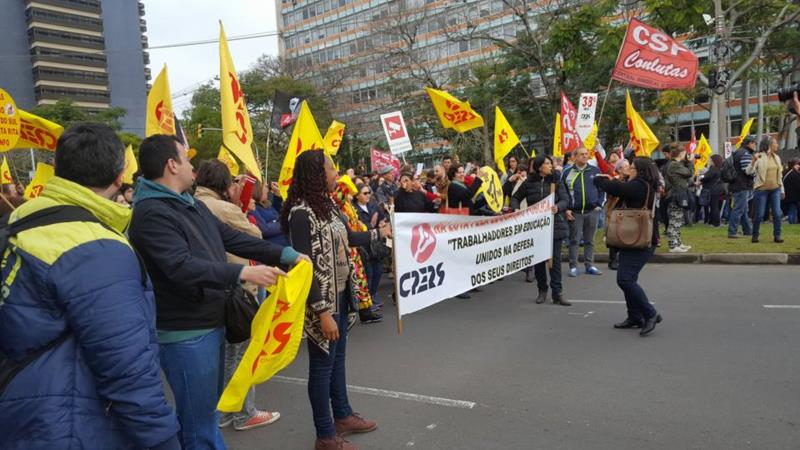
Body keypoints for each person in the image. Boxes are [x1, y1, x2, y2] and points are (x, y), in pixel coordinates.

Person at [0, 124, 180, 449]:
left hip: (22, 407)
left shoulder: (20, 222)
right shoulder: (97, 249)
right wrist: (164, 440)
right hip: (70, 423)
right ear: (119, 175)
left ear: (58, 168)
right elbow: (128, 369)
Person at [129, 134, 304, 450]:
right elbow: (180, 267)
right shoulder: (151, 212)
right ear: (171, 164)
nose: (191, 165)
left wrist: (285, 255)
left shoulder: (189, 203)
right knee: (199, 427)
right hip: (186, 334)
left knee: (205, 419)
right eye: (186, 158)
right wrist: (242, 271)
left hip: (210, 320)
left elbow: (231, 238)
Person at [281, 150, 390, 450]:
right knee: (321, 368)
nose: (336, 173)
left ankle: (342, 415)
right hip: (323, 305)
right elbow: (302, 265)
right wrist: (322, 312)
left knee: (337, 361)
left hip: (342, 297)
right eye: (331, 168)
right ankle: (326, 435)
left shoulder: (327, 206)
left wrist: (378, 234)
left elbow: (348, 238)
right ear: (317, 173)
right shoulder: (301, 213)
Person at [193, 160, 282, 431]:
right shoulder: (222, 208)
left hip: (210, 287)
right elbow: (254, 234)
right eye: (232, 182)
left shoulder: (192, 203)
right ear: (223, 184)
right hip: (236, 286)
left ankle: (224, 412)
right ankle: (245, 413)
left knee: (225, 356)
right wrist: (238, 204)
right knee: (241, 354)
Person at [594, 157, 663, 336]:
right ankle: (634, 316)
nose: (627, 171)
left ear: (640, 171)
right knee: (628, 278)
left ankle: (650, 313)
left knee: (625, 279)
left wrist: (598, 178)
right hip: (633, 238)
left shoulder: (640, 185)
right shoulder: (645, 184)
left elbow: (614, 188)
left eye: (631, 168)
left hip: (641, 241)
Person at [511, 155, 571, 305]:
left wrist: (558, 207)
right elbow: (515, 197)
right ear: (539, 167)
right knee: (538, 261)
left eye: (551, 163)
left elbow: (565, 199)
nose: (551, 166)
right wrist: (517, 209)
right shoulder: (529, 183)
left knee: (555, 262)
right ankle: (542, 290)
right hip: (536, 227)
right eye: (547, 164)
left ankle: (557, 293)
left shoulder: (556, 180)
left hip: (554, 225)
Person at [331, 176, 383, 325]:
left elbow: (356, 222)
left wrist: (365, 229)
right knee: (354, 281)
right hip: (347, 249)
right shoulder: (339, 203)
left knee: (361, 280)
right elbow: (338, 197)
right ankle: (354, 313)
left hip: (355, 247)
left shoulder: (348, 204)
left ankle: (365, 312)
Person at [563, 147, 604, 277]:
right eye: (581, 154)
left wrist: (599, 204)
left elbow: (602, 189)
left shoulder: (595, 171)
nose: (585, 156)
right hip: (575, 212)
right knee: (574, 240)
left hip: (592, 211)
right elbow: (562, 193)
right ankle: (573, 266)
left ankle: (589, 265)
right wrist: (567, 208)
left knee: (590, 240)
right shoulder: (567, 172)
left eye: (586, 154)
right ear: (574, 157)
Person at [354, 183, 386, 310]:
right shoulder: (354, 209)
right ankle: (367, 301)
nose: (368, 195)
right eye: (365, 193)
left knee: (378, 270)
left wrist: (382, 223)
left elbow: (382, 218)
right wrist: (371, 225)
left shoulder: (373, 205)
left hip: (376, 243)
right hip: (364, 245)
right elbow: (357, 226)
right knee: (369, 272)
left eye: (369, 193)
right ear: (357, 195)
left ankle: (373, 294)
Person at [747, 137, 785, 243]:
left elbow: (779, 175)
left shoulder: (777, 157)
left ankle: (777, 236)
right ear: (769, 145)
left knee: (777, 213)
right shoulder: (759, 156)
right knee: (759, 214)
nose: (777, 145)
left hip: (775, 189)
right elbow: (748, 172)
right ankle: (755, 235)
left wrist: (782, 190)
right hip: (761, 190)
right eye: (775, 143)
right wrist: (753, 161)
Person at [664, 144, 694, 252]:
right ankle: (673, 245)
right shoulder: (674, 165)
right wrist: (690, 162)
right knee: (674, 220)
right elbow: (689, 173)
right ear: (681, 153)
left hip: (678, 194)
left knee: (678, 219)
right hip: (676, 195)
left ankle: (678, 243)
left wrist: (686, 162)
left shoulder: (675, 164)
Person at [727, 136, 757, 238]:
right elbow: (748, 171)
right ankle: (732, 231)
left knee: (743, 209)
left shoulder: (738, 152)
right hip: (742, 185)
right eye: (754, 143)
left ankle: (748, 230)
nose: (755, 145)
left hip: (736, 184)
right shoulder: (745, 154)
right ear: (749, 144)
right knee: (739, 209)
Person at [607, 157, 631, 271]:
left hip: (627, 212)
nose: (628, 168)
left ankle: (622, 259)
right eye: (625, 166)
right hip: (615, 211)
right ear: (619, 169)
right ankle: (613, 260)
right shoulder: (615, 181)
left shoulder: (631, 180)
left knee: (625, 235)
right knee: (614, 236)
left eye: (629, 166)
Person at [701, 155, 725, 227]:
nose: (709, 162)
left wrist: (701, 177)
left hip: (713, 190)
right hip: (719, 190)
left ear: (714, 161)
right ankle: (713, 222)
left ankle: (715, 223)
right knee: (715, 206)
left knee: (714, 207)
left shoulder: (713, 169)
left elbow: (706, 177)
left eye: (710, 160)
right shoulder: (720, 169)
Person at [783, 159, 800, 224]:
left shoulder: (785, 172)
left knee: (792, 211)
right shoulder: (795, 174)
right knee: (793, 211)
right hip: (793, 198)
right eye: (797, 164)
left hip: (787, 197)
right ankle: (792, 223)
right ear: (793, 165)